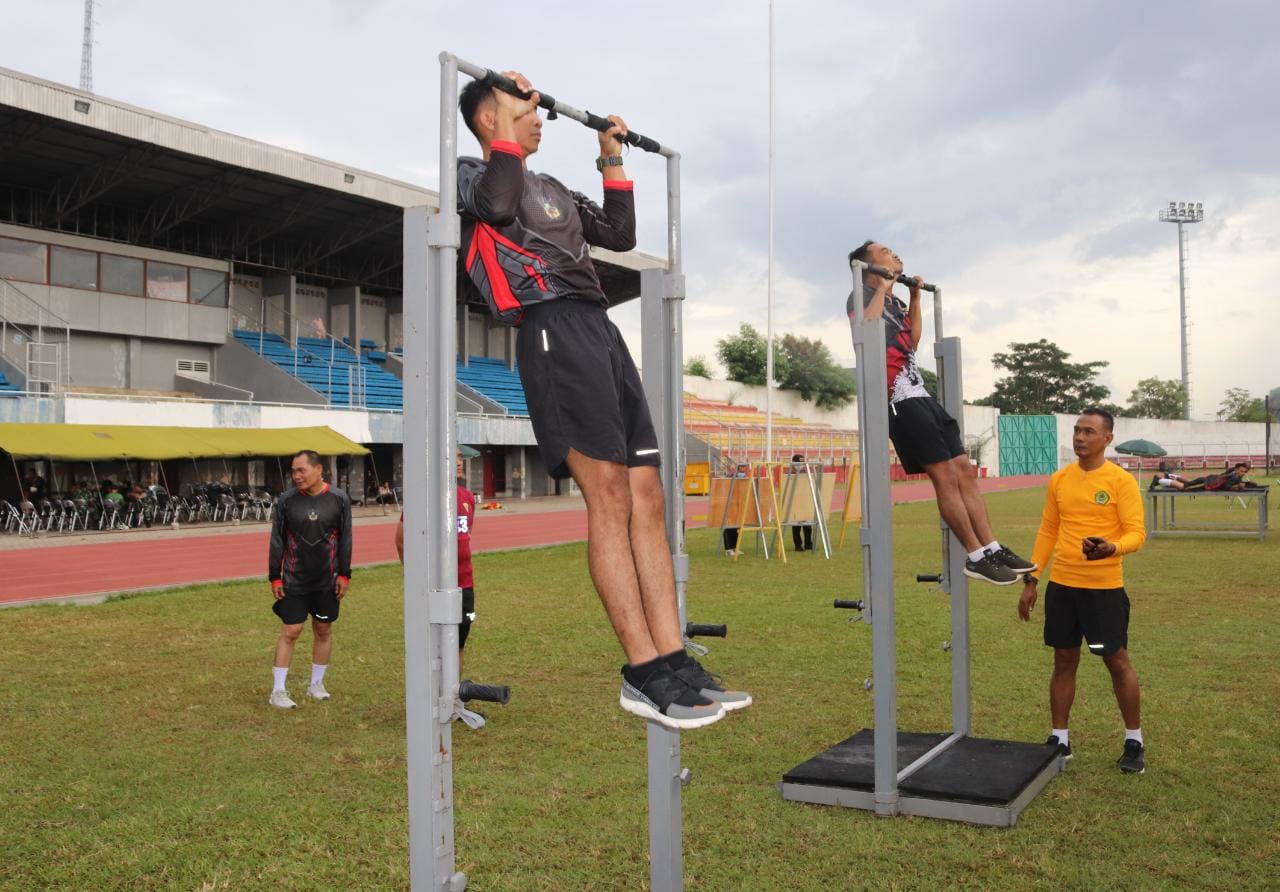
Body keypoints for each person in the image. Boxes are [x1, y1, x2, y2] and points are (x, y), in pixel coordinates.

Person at [455, 70, 749, 730]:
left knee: (649, 493)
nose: (536, 119)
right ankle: (642, 671)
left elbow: (617, 233)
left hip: (598, 326)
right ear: (487, 121)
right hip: (551, 327)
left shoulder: (553, 188)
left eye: (536, 111)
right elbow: (498, 207)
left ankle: (673, 658)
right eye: (520, 110)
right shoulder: (471, 173)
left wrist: (612, 158)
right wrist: (504, 131)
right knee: (609, 495)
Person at [848, 240, 1035, 585]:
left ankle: (991, 547)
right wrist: (882, 288)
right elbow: (866, 332)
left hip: (919, 392)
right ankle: (975, 555)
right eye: (885, 251)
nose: (895, 253)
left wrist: (915, 299)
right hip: (897, 400)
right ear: (867, 264)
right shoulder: (860, 296)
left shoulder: (895, 299)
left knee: (963, 468)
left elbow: (912, 341)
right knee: (945, 475)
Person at [1018, 409, 1148, 774]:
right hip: (1063, 586)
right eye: (1077, 430)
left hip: (1103, 589)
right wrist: (1033, 579)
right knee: (1063, 660)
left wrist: (1111, 547)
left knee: (1116, 662)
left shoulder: (1120, 481)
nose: (1079, 437)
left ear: (1107, 438)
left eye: (1089, 431)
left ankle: (1134, 740)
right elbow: (1048, 531)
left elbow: (1137, 533)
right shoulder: (1060, 479)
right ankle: (1060, 738)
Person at [396, 454, 487, 726]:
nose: (458, 462)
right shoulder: (423, 497)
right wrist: (416, 578)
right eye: (453, 457)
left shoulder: (467, 498)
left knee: (457, 644)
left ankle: (453, 702)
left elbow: (464, 537)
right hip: (433, 587)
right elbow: (402, 540)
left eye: (460, 458)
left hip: (465, 584)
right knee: (432, 645)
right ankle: (427, 702)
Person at [267, 450, 353, 709]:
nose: (296, 476)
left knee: (323, 629)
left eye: (301, 470)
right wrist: (275, 577)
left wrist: (344, 574)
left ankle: (316, 684)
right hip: (294, 579)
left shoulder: (339, 499)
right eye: (293, 471)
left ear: (318, 470)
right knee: (291, 631)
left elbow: (345, 539)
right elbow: (277, 540)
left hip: (327, 580)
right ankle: (278, 691)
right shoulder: (286, 500)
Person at [1151, 462, 1260, 492]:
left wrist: (1241, 484)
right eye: (1242, 471)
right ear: (1237, 469)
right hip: (1206, 484)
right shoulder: (1235, 476)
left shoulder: (1233, 472)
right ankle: (1159, 480)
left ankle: (1170, 475)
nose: (1243, 473)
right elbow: (1227, 487)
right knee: (1183, 487)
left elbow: (1228, 482)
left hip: (1207, 481)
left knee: (1187, 483)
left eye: (1245, 472)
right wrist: (1237, 487)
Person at [789, 454, 815, 552]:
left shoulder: (806, 473)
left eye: (802, 463)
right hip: (795, 502)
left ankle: (808, 544)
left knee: (807, 525)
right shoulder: (789, 474)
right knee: (796, 525)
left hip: (805, 501)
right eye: (799, 463)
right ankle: (798, 545)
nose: (801, 466)